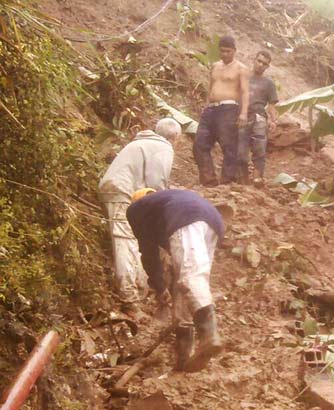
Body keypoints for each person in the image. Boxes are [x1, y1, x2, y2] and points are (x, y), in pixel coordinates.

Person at [127, 189, 225, 372]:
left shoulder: (136, 210)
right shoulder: (167, 202)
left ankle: (209, 333)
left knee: (191, 276)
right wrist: (167, 286)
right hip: (214, 222)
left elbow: (149, 254)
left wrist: (159, 287)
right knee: (185, 284)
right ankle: (184, 356)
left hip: (188, 219)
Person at [98, 118, 182, 317]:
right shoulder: (163, 147)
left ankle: (138, 290)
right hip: (122, 191)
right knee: (125, 242)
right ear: (175, 138)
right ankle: (130, 301)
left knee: (132, 240)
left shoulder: (141, 142)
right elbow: (156, 184)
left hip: (116, 188)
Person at [193, 35, 250, 186]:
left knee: (229, 145)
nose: (225, 54)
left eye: (228, 51)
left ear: (234, 51)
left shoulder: (241, 69)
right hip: (211, 109)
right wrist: (206, 106)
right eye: (222, 51)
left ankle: (227, 180)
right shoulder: (215, 66)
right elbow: (211, 87)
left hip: (229, 108)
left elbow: (245, 92)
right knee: (200, 143)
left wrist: (243, 113)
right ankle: (209, 180)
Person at [238, 50, 279, 182]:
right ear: (254, 59)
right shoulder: (243, 77)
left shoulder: (269, 83)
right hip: (242, 116)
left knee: (259, 148)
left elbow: (272, 105)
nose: (260, 65)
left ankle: (257, 178)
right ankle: (242, 179)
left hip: (259, 117)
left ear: (267, 66)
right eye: (259, 61)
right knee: (241, 150)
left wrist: (273, 121)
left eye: (264, 63)